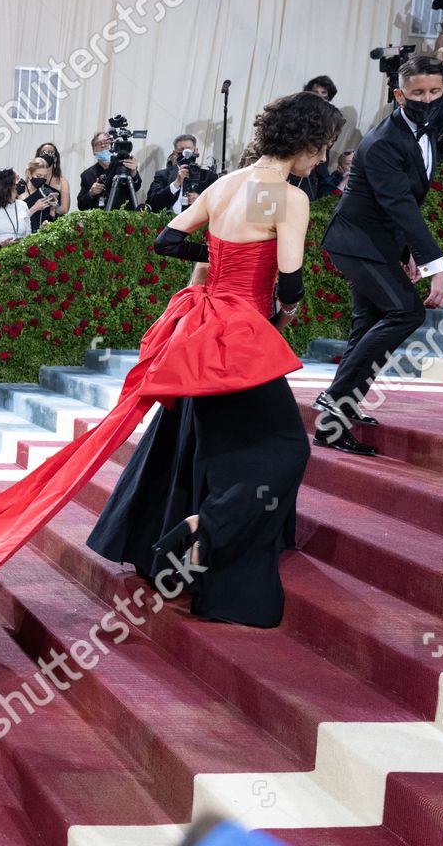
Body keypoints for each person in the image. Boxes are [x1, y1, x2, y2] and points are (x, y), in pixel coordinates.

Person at [87, 91, 340, 628]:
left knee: (219, 448)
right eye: (321, 149)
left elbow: (167, 241)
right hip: (242, 333)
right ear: (305, 142)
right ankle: (205, 529)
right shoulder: (284, 195)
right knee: (287, 448)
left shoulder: (225, 184)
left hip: (204, 325)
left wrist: (223, 256)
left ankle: (201, 551)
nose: (321, 161)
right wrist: (287, 311)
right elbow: (290, 281)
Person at [315, 55, 443, 455]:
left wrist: (408, 251)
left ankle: (335, 419)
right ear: (399, 94)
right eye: (417, 93)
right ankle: (335, 399)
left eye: (434, 91)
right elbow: (402, 207)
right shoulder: (382, 142)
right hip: (357, 243)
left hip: (376, 244)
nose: (427, 99)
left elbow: (405, 203)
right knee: (406, 312)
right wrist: (437, 268)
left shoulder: (427, 131)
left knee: (369, 322)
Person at [0, 168, 32, 251]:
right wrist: (0, 244)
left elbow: (28, 235)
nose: (22, 181)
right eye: (17, 178)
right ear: (7, 183)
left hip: (18, 257)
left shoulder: (23, 205)